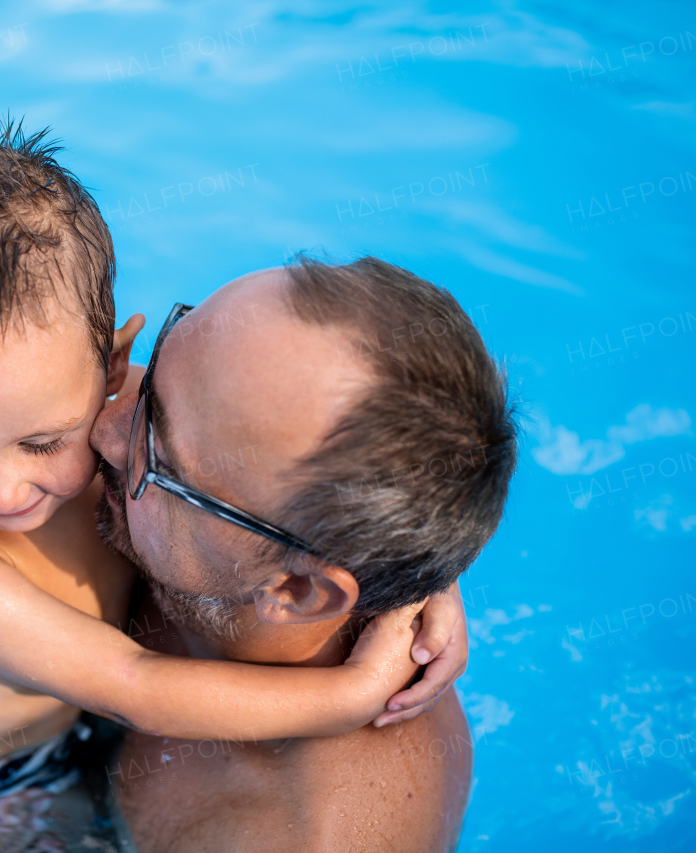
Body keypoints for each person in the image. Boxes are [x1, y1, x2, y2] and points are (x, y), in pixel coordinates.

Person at [0, 121, 471, 827]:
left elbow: (316, 463)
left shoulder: (109, 408)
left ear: (110, 370)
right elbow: (130, 682)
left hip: (83, 695)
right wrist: (353, 695)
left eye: (45, 441)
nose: (4, 491)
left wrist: (421, 573)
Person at [90, 258, 516, 852]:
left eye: (154, 453)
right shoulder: (234, 523)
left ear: (295, 593)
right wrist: (432, 575)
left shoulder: (286, 833)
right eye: (156, 365)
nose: (100, 426)